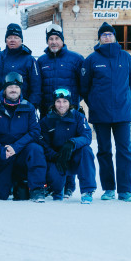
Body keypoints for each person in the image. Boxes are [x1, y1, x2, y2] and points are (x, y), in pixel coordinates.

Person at [80, 22, 131, 202]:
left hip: (122, 113)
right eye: (103, 35)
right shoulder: (91, 60)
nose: (106, 37)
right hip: (100, 114)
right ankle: (109, 189)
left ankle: (125, 190)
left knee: (124, 151)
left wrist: (124, 98)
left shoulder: (126, 57)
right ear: (99, 38)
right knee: (104, 151)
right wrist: (95, 103)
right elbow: (84, 87)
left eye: (109, 34)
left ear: (114, 37)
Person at [0, 72, 47, 202]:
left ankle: (37, 189)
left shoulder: (28, 107)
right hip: (2, 154)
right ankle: (3, 183)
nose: (13, 90)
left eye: (16, 87)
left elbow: (35, 131)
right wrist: (0, 150)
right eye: (10, 86)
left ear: (21, 89)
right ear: (4, 89)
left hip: (21, 152)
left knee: (36, 149)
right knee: (1, 195)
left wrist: (15, 147)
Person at [36, 23, 85, 198]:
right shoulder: (41, 61)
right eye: (51, 39)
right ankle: (53, 182)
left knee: (69, 145)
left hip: (69, 113)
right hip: (48, 114)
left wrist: (77, 106)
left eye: (57, 39)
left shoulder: (76, 59)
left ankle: (69, 185)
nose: (54, 42)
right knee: (50, 148)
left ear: (63, 41)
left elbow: (84, 84)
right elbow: (38, 86)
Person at [39, 88, 96, 203]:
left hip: (74, 155)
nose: (61, 105)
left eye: (65, 101)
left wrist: (72, 143)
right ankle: (55, 188)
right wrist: (55, 156)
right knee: (57, 191)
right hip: (57, 158)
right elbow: (43, 143)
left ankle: (87, 191)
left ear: (69, 103)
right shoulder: (46, 121)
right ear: (54, 103)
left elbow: (87, 136)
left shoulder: (78, 117)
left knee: (86, 150)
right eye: (58, 101)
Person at [0, 23, 41, 108]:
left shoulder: (30, 60)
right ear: (6, 40)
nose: (12, 40)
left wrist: (30, 107)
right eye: (9, 37)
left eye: (16, 38)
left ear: (21, 40)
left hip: (22, 108)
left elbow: (36, 87)